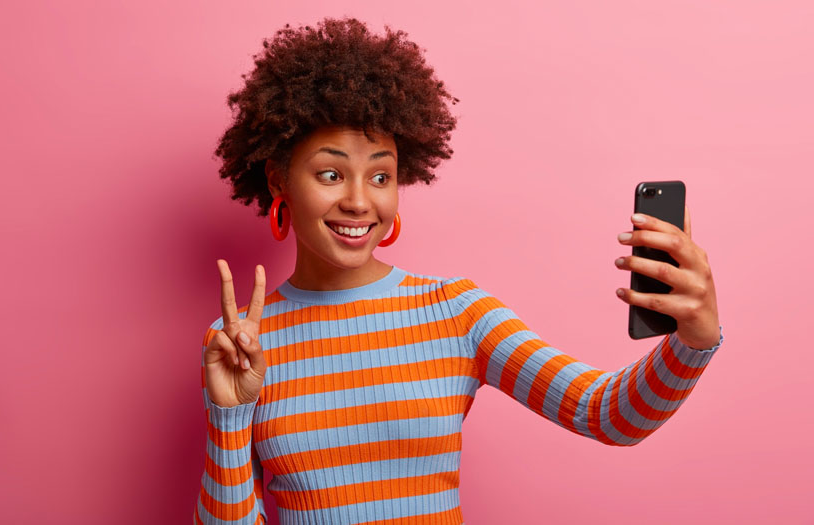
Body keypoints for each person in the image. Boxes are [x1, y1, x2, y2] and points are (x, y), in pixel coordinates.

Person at [195, 16, 724, 525]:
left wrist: (693, 339)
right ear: (278, 177)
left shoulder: (455, 312)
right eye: (331, 174)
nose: (359, 202)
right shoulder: (240, 345)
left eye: (381, 176)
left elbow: (609, 414)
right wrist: (229, 415)